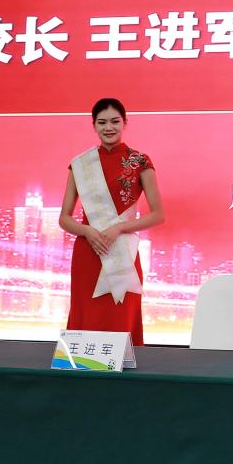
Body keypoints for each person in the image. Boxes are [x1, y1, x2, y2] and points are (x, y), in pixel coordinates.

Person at [59, 97, 164, 346]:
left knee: (120, 314)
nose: (109, 128)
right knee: (87, 314)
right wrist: (86, 231)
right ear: (94, 125)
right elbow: (64, 218)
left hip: (122, 250)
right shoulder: (80, 165)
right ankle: (84, 366)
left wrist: (119, 227)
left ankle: (121, 367)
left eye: (115, 121)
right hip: (88, 251)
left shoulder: (140, 162)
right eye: (102, 122)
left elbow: (158, 214)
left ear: (125, 123)